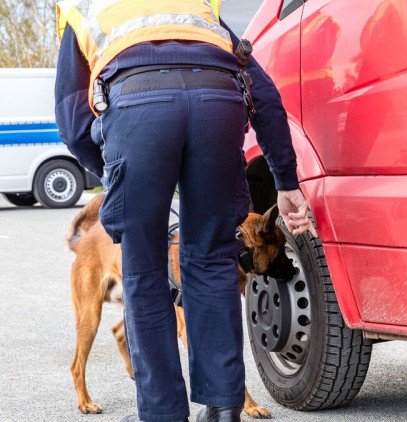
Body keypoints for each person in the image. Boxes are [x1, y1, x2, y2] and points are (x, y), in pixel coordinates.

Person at [54, 0, 315, 421]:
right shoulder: (196, 7)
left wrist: (116, 170)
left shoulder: (85, 5)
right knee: (213, 263)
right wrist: (285, 180)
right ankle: (224, 408)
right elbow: (262, 93)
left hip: (137, 109)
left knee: (143, 270)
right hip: (218, 106)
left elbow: (71, 118)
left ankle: (163, 413)